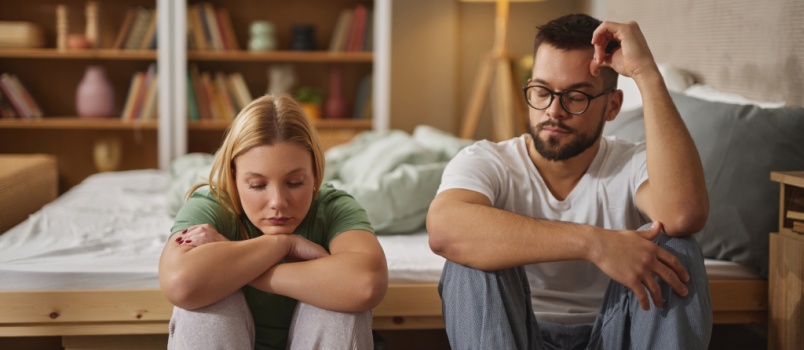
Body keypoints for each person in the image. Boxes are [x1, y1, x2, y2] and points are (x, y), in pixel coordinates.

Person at [427, 14, 712, 350]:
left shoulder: (632, 163)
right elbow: (445, 229)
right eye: (542, 91)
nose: (553, 110)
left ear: (612, 106)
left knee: (676, 245)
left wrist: (646, 75)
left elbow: (683, 214)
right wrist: (594, 243)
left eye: (576, 97)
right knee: (469, 256)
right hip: (513, 334)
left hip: (616, 334)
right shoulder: (488, 160)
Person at [159, 94, 388, 349]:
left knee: (342, 307)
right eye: (257, 185)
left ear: (315, 174)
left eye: (294, 183)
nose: (278, 201)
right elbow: (180, 283)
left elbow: (366, 283)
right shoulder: (213, 206)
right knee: (202, 306)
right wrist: (283, 245)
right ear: (233, 178)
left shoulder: (333, 208)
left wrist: (245, 267)